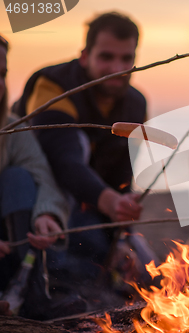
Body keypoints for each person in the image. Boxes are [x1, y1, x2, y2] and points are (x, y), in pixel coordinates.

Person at [13, 12, 146, 283]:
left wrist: (122, 236)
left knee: (146, 267)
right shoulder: (53, 85)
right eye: (106, 57)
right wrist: (111, 202)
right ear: (85, 56)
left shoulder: (135, 103)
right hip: (36, 198)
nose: (117, 68)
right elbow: (63, 160)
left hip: (91, 207)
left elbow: (122, 179)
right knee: (80, 262)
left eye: (126, 58)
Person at [0, 35, 78, 319]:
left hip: (11, 251)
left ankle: (32, 294)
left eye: (2, 74)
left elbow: (44, 178)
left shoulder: (11, 129)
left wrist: (49, 216)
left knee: (18, 178)